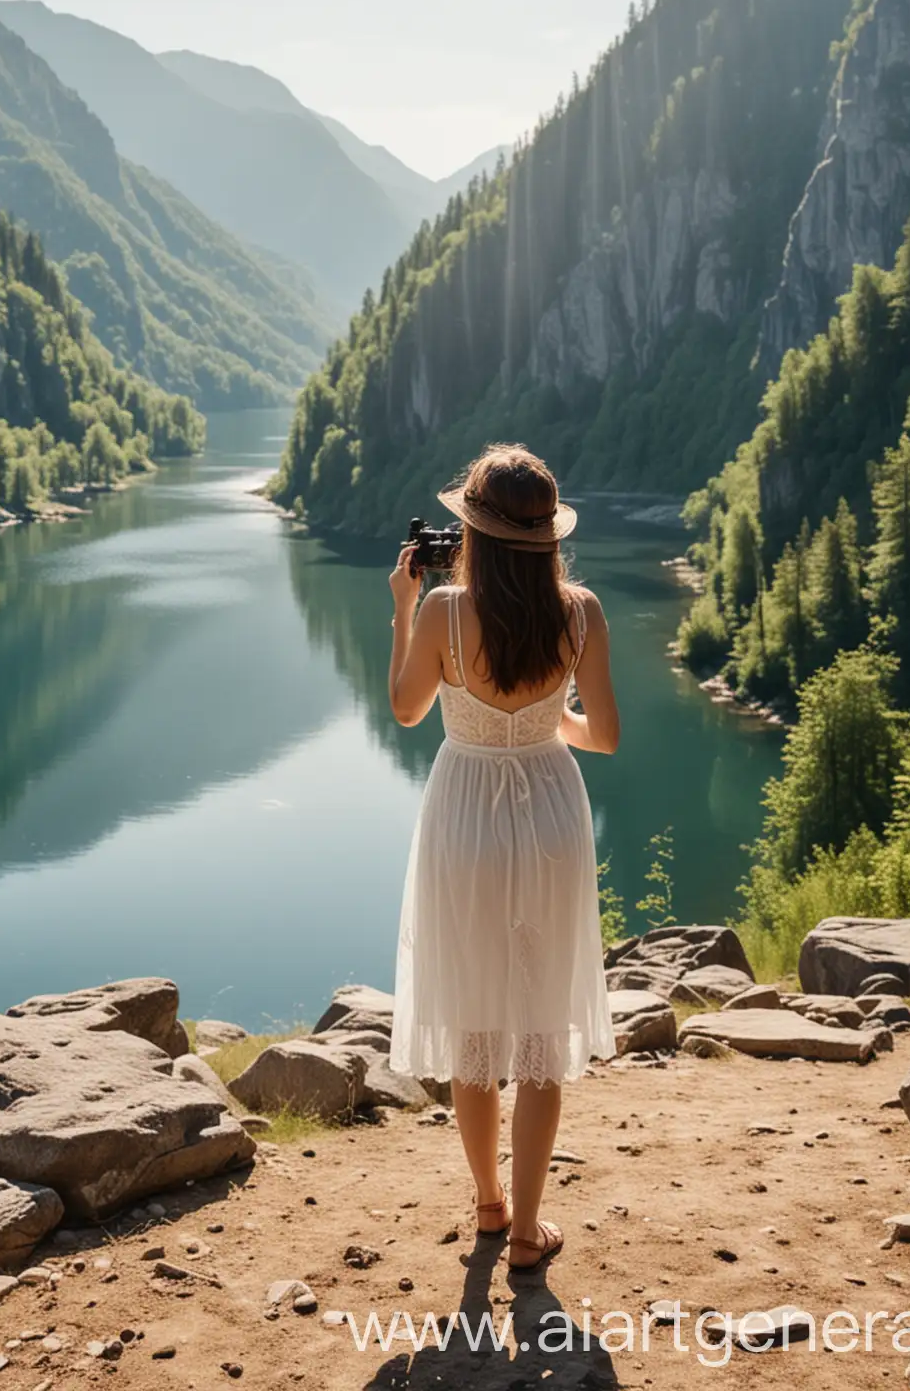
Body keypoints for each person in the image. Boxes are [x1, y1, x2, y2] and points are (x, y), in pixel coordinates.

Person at [385, 443, 620, 1273]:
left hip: (464, 816)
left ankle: (487, 1205)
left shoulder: (445, 610)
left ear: (472, 532)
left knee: (475, 1020)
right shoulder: (582, 611)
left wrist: (401, 610)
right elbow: (608, 735)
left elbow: (408, 712)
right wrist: (544, 726)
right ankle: (527, 1227)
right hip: (552, 813)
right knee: (541, 1032)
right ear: (549, 536)